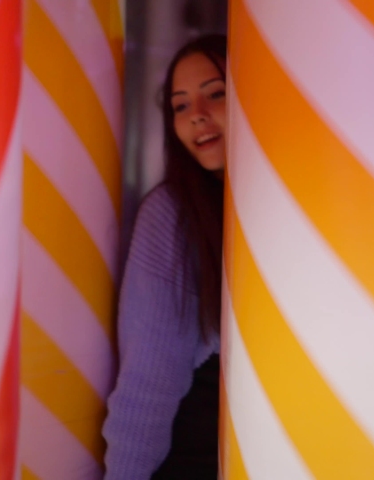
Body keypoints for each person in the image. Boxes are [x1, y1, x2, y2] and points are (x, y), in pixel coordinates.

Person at [102, 34, 228, 480]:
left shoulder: (297, 208)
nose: (197, 115)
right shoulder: (172, 214)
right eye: (180, 105)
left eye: (216, 93)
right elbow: (148, 382)